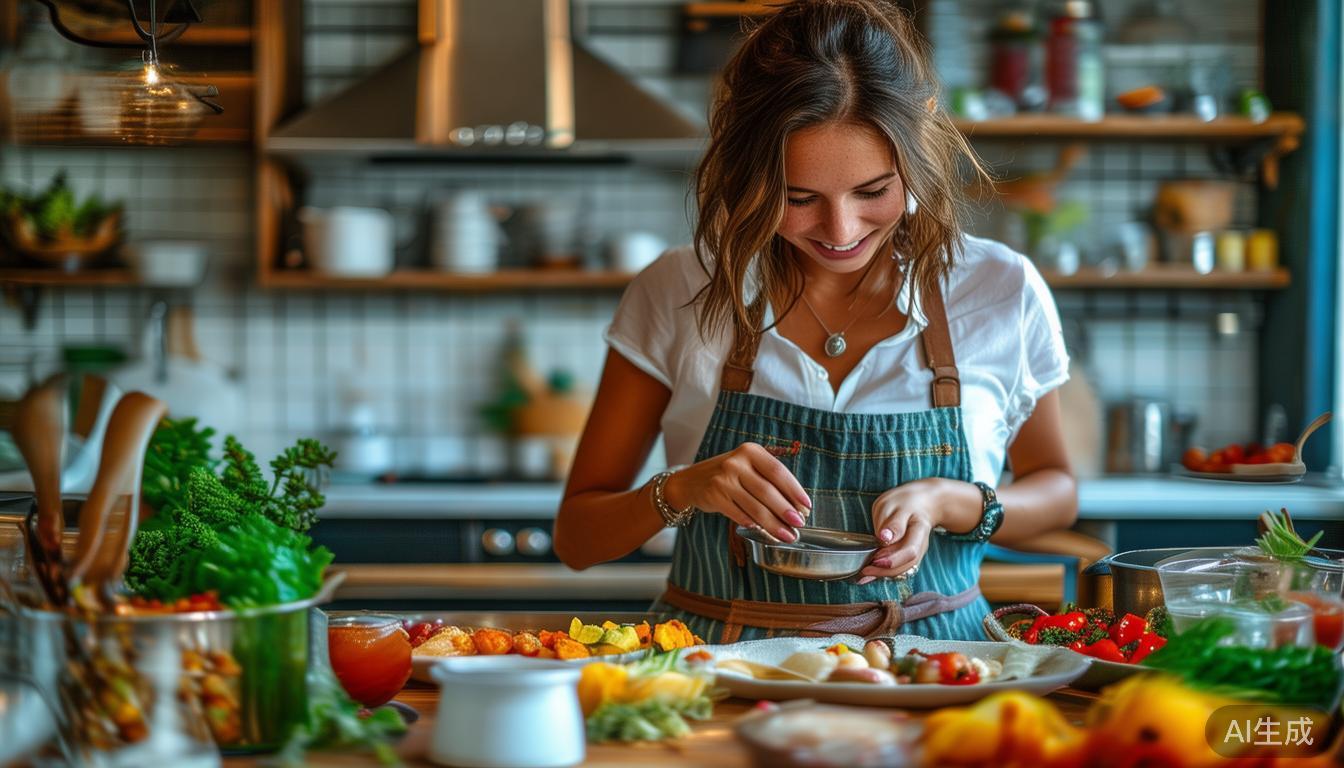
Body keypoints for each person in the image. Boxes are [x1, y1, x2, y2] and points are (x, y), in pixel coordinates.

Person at [553, 0, 1078, 642]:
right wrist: (684, 488)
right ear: (746, 170)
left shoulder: (999, 288)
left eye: (873, 191)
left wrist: (953, 502)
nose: (840, 230)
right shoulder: (678, 289)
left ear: (920, 147)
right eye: (797, 198)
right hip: (718, 675)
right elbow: (578, 538)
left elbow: (1057, 489)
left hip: (934, 675)